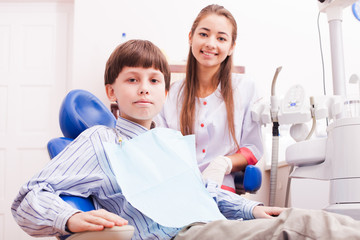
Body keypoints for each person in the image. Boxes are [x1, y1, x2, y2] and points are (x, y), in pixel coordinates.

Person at [11, 39, 360, 240]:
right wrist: (68, 220)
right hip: (181, 235)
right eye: (132, 79)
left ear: (166, 90)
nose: (145, 87)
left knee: (306, 218)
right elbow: (28, 197)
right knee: (307, 229)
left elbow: (204, 194)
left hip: (213, 225)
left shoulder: (169, 141)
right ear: (111, 92)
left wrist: (250, 208)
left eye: (154, 80)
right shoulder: (100, 140)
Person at [155, 4, 263, 193]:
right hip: (179, 190)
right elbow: (162, 148)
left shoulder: (245, 88)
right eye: (204, 34)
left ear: (231, 47)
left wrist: (223, 164)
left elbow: (253, 148)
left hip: (222, 191)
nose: (211, 44)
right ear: (191, 37)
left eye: (221, 38)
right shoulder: (171, 94)